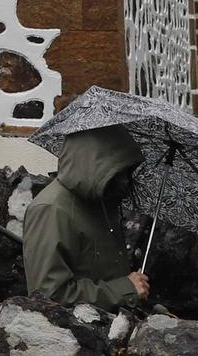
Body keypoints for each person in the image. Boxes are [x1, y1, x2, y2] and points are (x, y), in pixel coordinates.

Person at [22, 124, 150, 311]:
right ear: (94, 165)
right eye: (119, 172)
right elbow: (49, 296)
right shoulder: (51, 209)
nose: (126, 181)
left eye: (128, 172)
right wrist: (126, 289)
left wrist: (133, 289)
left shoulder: (101, 203)